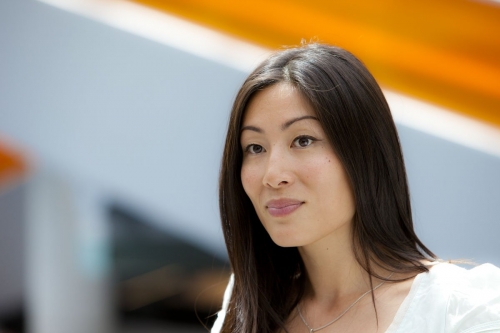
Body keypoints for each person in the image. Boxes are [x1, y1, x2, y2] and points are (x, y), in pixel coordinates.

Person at [212, 43, 500, 333]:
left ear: (365, 153)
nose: (273, 175)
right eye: (255, 147)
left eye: (303, 140)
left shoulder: (463, 311)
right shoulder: (251, 303)